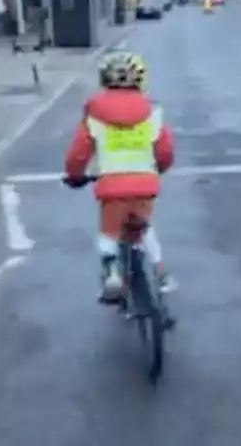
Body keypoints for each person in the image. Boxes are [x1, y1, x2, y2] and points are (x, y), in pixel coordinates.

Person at [63, 51, 176, 302]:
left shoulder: (94, 115)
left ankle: (112, 274)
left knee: (109, 232)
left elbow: (78, 154)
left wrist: (74, 176)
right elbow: (165, 151)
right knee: (144, 227)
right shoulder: (152, 112)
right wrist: (159, 168)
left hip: (112, 187)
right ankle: (161, 271)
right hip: (145, 183)